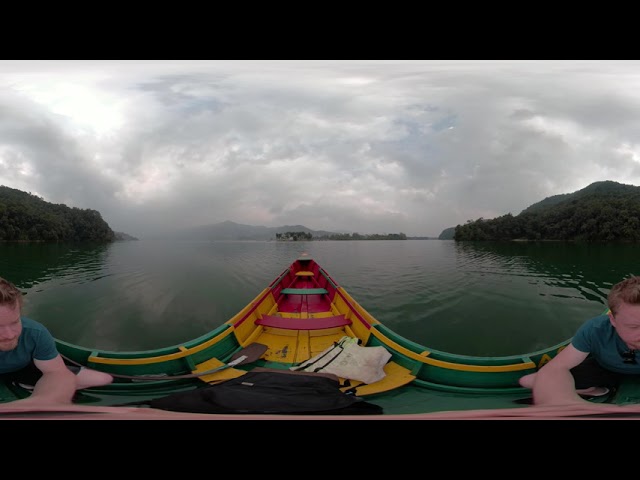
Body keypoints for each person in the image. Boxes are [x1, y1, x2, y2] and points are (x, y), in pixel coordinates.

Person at [519, 275, 640, 406]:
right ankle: (594, 390)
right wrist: (566, 401)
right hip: (605, 370)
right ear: (612, 320)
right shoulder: (595, 329)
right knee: (529, 380)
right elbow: (556, 367)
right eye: (634, 327)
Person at [0, 276, 113, 407]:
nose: (9, 335)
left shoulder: (35, 333)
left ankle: (30, 387)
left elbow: (56, 372)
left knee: (102, 379)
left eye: (14, 322)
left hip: (22, 369)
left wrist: (43, 400)